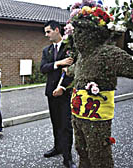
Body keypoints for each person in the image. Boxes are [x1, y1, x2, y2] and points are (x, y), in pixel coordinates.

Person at [63, 1, 133, 167]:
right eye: (76, 31)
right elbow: (75, 70)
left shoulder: (107, 53)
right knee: (81, 150)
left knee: (99, 154)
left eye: (81, 31)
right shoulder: (82, 57)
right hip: (78, 114)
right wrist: (67, 70)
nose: (77, 36)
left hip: (97, 117)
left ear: (94, 33)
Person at [40, 20, 76, 168]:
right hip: (51, 93)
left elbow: (73, 70)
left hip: (65, 92)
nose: (46, 34)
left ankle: (67, 158)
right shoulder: (46, 50)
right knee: (55, 122)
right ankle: (58, 148)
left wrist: (64, 87)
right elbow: (43, 68)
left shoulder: (70, 47)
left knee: (66, 125)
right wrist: (58, 63)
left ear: (56, 30)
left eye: (48, 31)